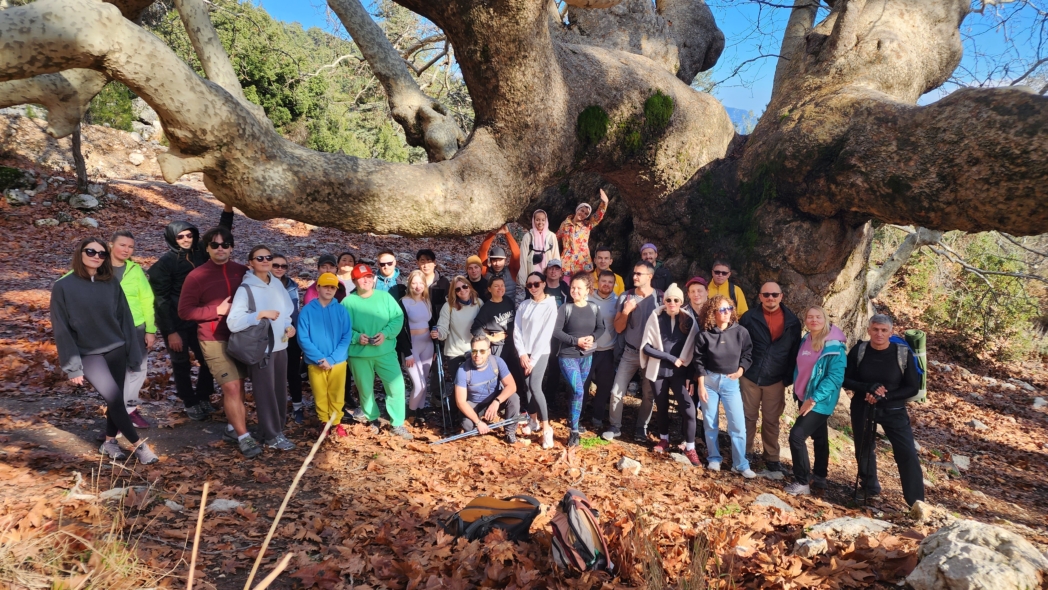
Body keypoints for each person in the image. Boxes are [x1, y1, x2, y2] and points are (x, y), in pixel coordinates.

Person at [51, 238, 158, 464]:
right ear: (80, 253)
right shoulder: (63, 286)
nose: (96, 256)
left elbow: (125, 319)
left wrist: (133, 351)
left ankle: (109, 442)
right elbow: (61, 328)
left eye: (101, 254)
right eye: (91, 251)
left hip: (116, 348)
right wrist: (73, 366)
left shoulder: (110, 283)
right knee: (113, 397)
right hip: (89, 353)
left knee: (115, 399)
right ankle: (138, 445)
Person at [178, 225, 260, 458]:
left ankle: (234, 428)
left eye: (225, 244)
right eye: (215, 245)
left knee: (239, 386)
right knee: (231, 386)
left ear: (232, 247)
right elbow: (185, 311)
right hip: (213, 339)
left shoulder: (242, 271)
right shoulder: (196, 276)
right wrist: (217, 310)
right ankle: (245, 438)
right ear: (207, 248)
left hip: (242, 336)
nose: (220, 248)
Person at [148, 207, 232, 421]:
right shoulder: (164, 265)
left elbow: (221, 233)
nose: (186, 239)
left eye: (189, 235)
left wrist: (228, 209)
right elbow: (160, 300)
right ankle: (190, 401)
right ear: (171, 238)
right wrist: (170, 332)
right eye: (180, 236)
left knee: (208, 359)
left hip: (199, 317)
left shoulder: (200, 252)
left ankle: (204, 396)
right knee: (181, 362)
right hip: (176, 322)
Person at [844, 315, 924, 506]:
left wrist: (884, 395)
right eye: (875, 329)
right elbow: (845, 379)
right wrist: (868, 388)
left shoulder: (902, 353)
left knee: (907, 453)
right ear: (869, 330)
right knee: (864, 448)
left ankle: (916, 501)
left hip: (893, 409)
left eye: (884, 330)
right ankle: (869, 489)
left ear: (891, 332)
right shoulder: (860, 350)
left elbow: (912, 387)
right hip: (863, 405)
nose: (879, 334)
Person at [228, 245, 297, 451]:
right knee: (265, 394)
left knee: (278, 391)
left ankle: (278, 430)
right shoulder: (246, 289)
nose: (265, 261)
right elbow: (234, 322)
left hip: (280, 347)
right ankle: (271, 435)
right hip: (261, 350)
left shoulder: (276, 284)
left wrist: (288, 326)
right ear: (251, 263)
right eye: (260, 258)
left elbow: (287, 312)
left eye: (268, 257)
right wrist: (259, 314)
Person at [341, 263, 413, 439]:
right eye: (360, 278)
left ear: (373, 278)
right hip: (359, 354)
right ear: (355, 281)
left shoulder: (385, 297)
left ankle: (397, 423)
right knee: (365, 389)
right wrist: (357, 337)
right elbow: (342, 327)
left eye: (368, 277)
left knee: (396, 386)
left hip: (385, 352)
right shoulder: (347, 302)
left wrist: (386, 334)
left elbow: (398, 318)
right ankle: (372, 418)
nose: (365, 281)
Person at [738, 281, 802, 473]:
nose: (770, 298)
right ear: (760, 297)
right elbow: (740, 345)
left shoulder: (792, 322)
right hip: (750, 375)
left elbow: (794, 351)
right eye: (766, 295)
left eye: (774, 294)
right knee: (747, 417)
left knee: (771, 420)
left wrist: (787, 378)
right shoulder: (749, 318)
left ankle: (772, 457)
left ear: (781, 296)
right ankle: (745, 452)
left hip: (775, 378)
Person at [785, 306, 847, 496]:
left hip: (820, 400)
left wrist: (813, 399)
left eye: (818, 317)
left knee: (796, 436)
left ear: (825, 319)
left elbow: (835, 378)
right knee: (819, 437)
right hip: (804, 395)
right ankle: (820, 475)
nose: (814, 320)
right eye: (810, 317)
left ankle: (802, 482)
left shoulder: (834, 346)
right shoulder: (807, 338)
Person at [693, 295, 755, 478]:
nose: (727, 313)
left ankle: (741, 464)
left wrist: (741, 371)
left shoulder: (741, 332)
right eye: (722, 309)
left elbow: (748, 354)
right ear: (713, 313)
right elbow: (698, 361)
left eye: (729, 309)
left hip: (731, 382)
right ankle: (714, 458)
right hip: (709, 382)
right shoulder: (704, 334)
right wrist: (701, 386)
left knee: (738, 425)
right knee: (710, 422)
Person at [639, 283, 700, 464]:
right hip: (659, 370)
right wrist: (670, 357)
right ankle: (664, 438)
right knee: (662, 406)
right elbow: (647, 347)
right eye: (668, 299)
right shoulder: (656, 316)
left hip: (680, 373)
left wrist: (690, 375)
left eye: (676, 300)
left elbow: (693, 349)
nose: (671, 303)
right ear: (664, 300)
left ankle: (690, 447)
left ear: (681, 301)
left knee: (689, 410)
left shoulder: (689, 320)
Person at [601, 261, 661, 442]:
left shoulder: (660, 298)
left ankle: (641, 428)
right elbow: (618, 328)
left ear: (649, 277)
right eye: (634, 273)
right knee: (616, 391)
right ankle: (615, 426)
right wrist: (626, 311)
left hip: (651, 355)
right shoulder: (625, 297)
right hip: (630, 352)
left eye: (639, 274)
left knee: (648, 394)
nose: (634, 277)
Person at [296, 272, 353, 437]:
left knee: (337, 393)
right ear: (318, 287)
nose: (329, 290)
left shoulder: (341, 310)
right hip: (316, 362)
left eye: (332, 287)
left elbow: (346, 336)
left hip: (338, 361)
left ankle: (336, 422)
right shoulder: (307, 311)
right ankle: (324, 421)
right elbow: (303, 337)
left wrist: (332, 359)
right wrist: (319, 358)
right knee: (320, 393)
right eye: (326, 286)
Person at [552, 274, 606, 447]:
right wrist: (576, 341)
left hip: (586, 356)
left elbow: (601, 327)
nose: (574, 291)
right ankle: (574, 431)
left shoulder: (594, 308)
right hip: (567, 355)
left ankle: (573, 420)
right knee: (579, 390)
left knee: (577, 392)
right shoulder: (565, 308)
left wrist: (591, 337)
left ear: (587, 290)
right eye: (572, 287)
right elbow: (557, 331)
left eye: (579, 288)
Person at [109, 230, 155, 430]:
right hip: (109, 328)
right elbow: (68, 283)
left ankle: (129, 410)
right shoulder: (97, 267)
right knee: (113, 373)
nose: (126, 250)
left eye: (130, 247)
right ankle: (115, 416)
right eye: (122, 245)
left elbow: (147, 299)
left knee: (137, 369)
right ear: (111, 245)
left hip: (136, 326)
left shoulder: (135, 270)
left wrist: (151, 329)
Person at [513, 272, 560, 448]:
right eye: (529, 285)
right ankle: (533, 420)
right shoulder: (524, 305)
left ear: (543, 284)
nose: (533, 288)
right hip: (525, 353)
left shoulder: (550, 304)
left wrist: (532, 360)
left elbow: (546, 334)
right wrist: (522, 353)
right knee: (527, 387)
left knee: (535, 386)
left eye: (536, 284)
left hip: (540, 353)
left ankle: (547, 428)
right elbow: (517, 330)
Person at [455, 336, 520, 443]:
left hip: (494, 399)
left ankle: (510, 432)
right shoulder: (463, 370)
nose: (478, 355)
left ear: (489, 351)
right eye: (474, 351)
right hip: (475, 404)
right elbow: (460, 402)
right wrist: (478, 422)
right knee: (467, 425)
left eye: (482, 351)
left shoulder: (497, 362)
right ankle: (478, 427)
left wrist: (496, 402)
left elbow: (512, 386)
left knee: (514, 398)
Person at [270, 253, 304, 424]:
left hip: (290, 335)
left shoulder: (291, 286)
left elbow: (294, 310)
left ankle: (297, 406)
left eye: (283, 266)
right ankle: (275, 407)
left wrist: (295, 330)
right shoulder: (262, 284)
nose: (279, 269)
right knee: (273, 373)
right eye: (276, 265)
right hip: (269, 335)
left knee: (293, 372)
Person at [470, 276, 521, 389]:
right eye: (496, 286)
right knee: (499, 376)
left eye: (502, 285)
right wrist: (491, 338)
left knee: (515, 374)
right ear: (489, 289)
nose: (500, 288)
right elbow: (475, 329)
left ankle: (516, 400)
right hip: (499, 348)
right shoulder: (487, 308)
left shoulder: (508, 301)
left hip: (512, 345)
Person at [400, 270, 436, 424]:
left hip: (427, 344)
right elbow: (400, 330)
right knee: (418, 383)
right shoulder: (403, 302)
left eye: (421, 283)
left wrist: (435, 341)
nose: (418, 286)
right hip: (412, 346)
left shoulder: (427, 300)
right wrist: (407, 353)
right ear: (409, 284)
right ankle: (411, 412)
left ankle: (420, 411)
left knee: (424, 381)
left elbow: (432, 322)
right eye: (414, 283)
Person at [435, 276, 484, 387]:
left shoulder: (479, 303)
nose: (462, 290)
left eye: (464, 286)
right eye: (458, 289)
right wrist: (438, 334)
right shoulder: (448, 306)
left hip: (474, 351)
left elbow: (485, 325)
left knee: (475, 385)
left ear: (469, 287)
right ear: (454, 292)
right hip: (455, 353)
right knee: (460, 386)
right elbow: (442, 327)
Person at [587, 271, 618, 430]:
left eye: (610, 282)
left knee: (604, 386)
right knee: (583, 384)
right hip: (588, 350)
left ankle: (597, 417)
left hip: (608, 350)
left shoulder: (618, 301)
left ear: (614, 284)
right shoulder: (588, 298)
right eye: (603, 281)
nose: (606, 284)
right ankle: (578, 416)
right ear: (598, 282)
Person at [557, 189, 609, 276]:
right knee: (566, 286)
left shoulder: (587, 225)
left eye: (586, 213)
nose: (583, 213)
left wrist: (605, 203)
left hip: (582, 263)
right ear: (577, 210)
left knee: (582, 286)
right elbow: (554, 238)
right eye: (582, 210)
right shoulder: (564, 224)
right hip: (566, 262)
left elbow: (598, 216)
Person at [516, 210, 559, 297]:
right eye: (538, 220)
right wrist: (524, 279)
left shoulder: (551, 236)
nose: (540, 222)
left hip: (547, 273)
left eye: (543, 220)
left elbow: (556, 256)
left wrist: (556, 275)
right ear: (533, 220)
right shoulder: (528, 236)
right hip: (532, 270)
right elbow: (523, 259)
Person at [416, 249, 450, 320]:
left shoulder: (443, 282)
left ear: (434, 263)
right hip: (419, 322)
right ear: (417, 263)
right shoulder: (414, 282)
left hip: (439, 322)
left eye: (429, 261)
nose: (426, 265)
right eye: (422, 262)